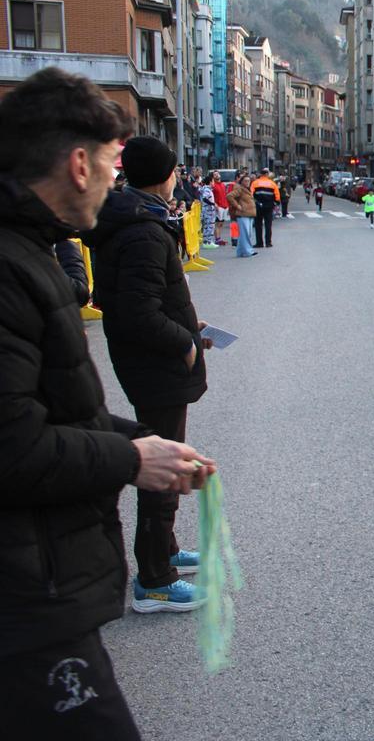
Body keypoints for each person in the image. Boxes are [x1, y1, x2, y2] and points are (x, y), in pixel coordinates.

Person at [0, 67, 217, 739]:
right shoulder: (10, 267)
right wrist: (130, 454)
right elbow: (15, 447)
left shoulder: (35, 250)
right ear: (77, 163)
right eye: (110, 160)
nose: (114, 176)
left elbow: (55, 405)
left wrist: (142, 442)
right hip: (26, 595)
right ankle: (154, 578)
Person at [82, 135, 214, 614]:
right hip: (154, 365)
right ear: (165, 175)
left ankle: (166, 549)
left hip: (147, 361)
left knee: (168, 457)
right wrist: (181, 342)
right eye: (175, 171)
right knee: (164, 466)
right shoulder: (143, 229)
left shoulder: (138, 219)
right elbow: (139, 311)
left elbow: (142, 300)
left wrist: (188, 326)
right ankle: (156, 578)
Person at [226, 172, 257, 257]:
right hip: (243, 214)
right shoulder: (239, 189)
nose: (247, 182)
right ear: (241, 181)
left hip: (249, 214)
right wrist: (237, 206)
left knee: (247, 233)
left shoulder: (248, 189)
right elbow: (229, 196)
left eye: (249, 181)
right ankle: (248, 251)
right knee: (245, 234)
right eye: (245, 181)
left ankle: (240, 251)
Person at [250, 168, 280, 248]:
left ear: (260, 174)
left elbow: (251, 194)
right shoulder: (272, 183)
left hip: (258, 206)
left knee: (258, 225)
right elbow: (277, 196)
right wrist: (275, 203)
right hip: (269, 206)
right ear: (267, 174)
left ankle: (259, 243)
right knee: (268, 225)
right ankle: (268, 242)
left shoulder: (255, 183)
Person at [198, 172, 218, 249]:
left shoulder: (206, 189)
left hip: (207, 210)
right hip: (208, 211)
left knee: (207, 226)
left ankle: (207, 241)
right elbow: (205, 198)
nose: (214, 183)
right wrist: (212, 204)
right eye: (213, 181)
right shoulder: (207, 189)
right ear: (210, 182)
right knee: (210, 226)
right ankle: (208, 242)